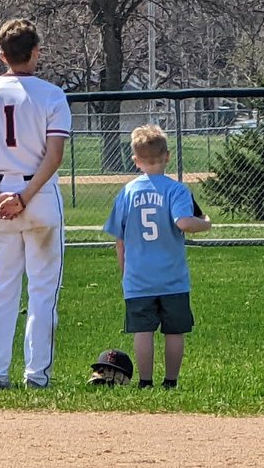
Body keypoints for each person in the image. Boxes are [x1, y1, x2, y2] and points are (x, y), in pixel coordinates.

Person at [0, 18, 71, 390]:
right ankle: (36, 375)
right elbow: (54, 155)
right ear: (36, 52)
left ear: (1, 55)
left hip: (1, 197)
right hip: (37, 195)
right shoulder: (51, 94)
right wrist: (24, 198)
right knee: (43, 293)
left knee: (3, 291)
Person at [102, 124, 211, 389]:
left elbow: (120, 239)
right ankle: (171, 381)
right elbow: (184, 222)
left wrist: (124, 271)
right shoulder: (176, 190)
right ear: (167, 156)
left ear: (135, 161)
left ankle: (145, 381)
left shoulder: (127, 192)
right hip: (172, 277)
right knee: (174, 331)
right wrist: (205, 222)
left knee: (143, 331)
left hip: (138, 277)